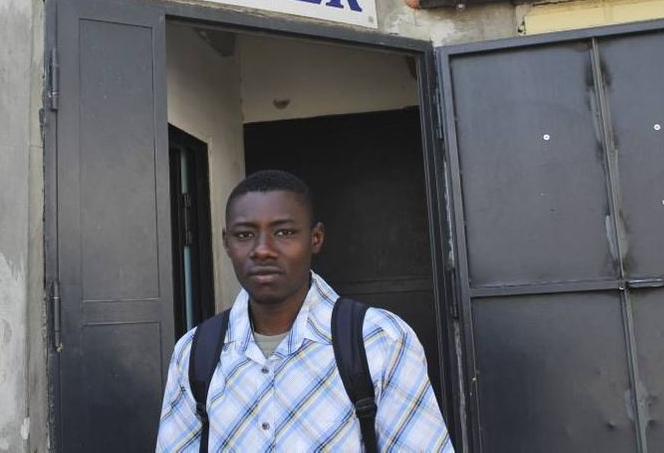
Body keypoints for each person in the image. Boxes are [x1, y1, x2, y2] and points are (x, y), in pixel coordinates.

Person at [156, 169, 454, 452]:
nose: (262, 250)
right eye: (245, 235)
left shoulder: (380, 340)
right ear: (226, 243)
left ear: (316, 238)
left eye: (284, 232)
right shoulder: (194, 353)